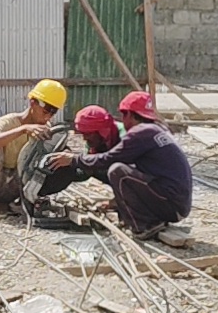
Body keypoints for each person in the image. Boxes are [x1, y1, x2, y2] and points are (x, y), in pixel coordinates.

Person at [45, 90, 192, 239]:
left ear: (129, 114)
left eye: (123, 115)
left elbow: (109, 159)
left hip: (170, 204)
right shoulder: (156, 129)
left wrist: (74, 160)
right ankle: (143, 218)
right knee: (112, 169)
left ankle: (144, 226)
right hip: (174, 202)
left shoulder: (139, 133)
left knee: (117, 171)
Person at [0, 79, 66, 217]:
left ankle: (20, 201)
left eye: (53, 113)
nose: (48, 116)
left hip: (14, 183)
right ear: (33, 103)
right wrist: (23, 129)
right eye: (46, 111)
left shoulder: (46, 129)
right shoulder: (8, 122)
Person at [29, 105, 122, 203]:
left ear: (102, 131)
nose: (85, 139)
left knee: (115, 169)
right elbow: (85, 171)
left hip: (136, 179)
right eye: (83, 134)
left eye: (88, 134)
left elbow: (115, 160)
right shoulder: (97, 141)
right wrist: (67, 165)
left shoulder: (126, 136)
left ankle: (127, 201)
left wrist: (75, 159)